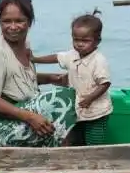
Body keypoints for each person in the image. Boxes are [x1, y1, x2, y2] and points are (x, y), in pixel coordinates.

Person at [0, 0, 74, 147]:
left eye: (19, 21)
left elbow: (17, 77)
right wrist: (30, 117)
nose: (13, 27)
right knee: (65, 100)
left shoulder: (25, 46)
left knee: (73, 95)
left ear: (29, 22)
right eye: (6, 21)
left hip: (22, 112)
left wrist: (50, 78)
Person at [31, 9, 112, 146]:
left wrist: (90, 98)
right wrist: (35, 59)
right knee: (76, 140)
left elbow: (105, 83)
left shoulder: (98, 60)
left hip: (97, 111)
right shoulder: (72, 54)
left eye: (85, 41)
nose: (79, 44)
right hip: (77, 109)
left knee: (95, 142)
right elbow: (56, 57)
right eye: (76, 40)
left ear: (97, 41)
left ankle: (95, 164)